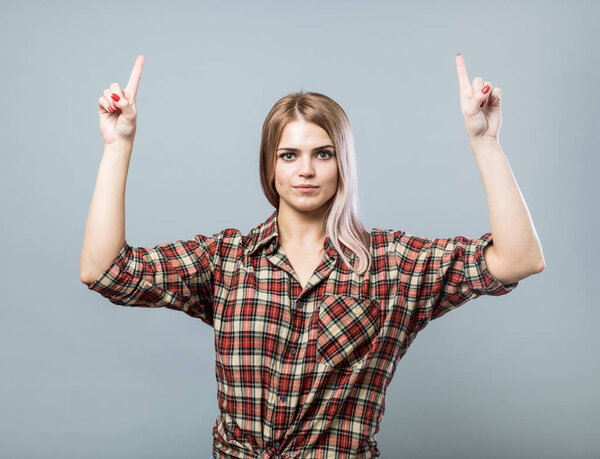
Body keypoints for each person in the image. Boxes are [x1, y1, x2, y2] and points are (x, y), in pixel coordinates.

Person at [80, 54, 545, 458]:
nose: (305, 170)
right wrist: (118, 145)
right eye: (289, 155)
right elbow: (106, 272)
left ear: (343, 162)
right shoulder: (227, 261)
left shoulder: (393, 265)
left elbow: (517, 259)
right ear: (269, 165)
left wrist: (485, 141)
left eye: (322, 154)